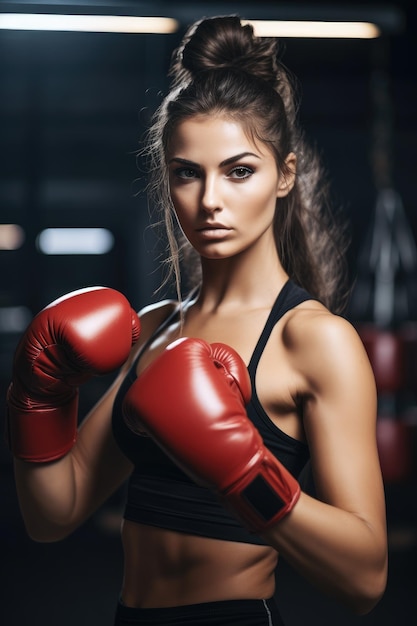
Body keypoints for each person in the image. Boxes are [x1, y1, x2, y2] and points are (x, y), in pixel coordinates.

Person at [6, 15, 387, 626]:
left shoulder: (315, 341)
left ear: (284, 175)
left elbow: (365, 579)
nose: (210, 200)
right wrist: (37, 396)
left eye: (239, 171)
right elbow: (54, 514)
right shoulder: (154, 327)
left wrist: (244, 473)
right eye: (188, 172)